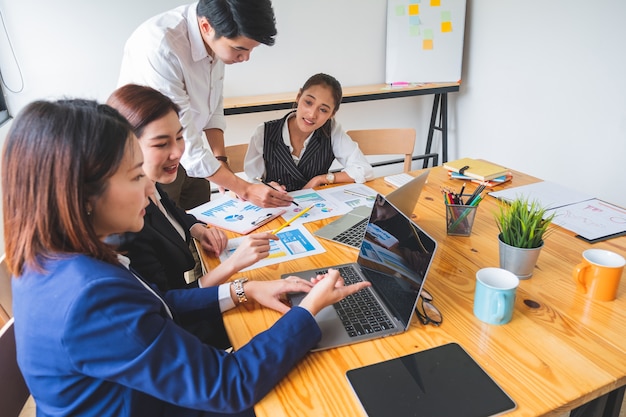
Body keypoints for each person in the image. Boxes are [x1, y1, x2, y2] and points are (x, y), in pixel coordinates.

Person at [3, 98, 371, 417]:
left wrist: (244, 290)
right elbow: (228, 385)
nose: (150, 188)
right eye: (135, 177)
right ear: (81, 197)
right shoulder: (90, 296)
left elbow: (154, 308)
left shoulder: (49, 255)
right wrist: (307, 311)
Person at [118, 0, 293, 210]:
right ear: (206, 27)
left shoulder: (215, 39)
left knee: (201, 226)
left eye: (250, 50)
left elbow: (212, 106)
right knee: (169, 230)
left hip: (195, 152)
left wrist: (220, 160)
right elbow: (182, 132)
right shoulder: (160, 45)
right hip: (154, 159)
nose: (245, 58)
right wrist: (244, 188)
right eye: (239, 49)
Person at [107, 84, 275, 292]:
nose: (177, 152)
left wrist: (197, 229)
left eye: (179, 137)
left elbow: (172, 211)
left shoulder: (151, 183)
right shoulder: (128, 224)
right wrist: (233, 266)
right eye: (161, 144)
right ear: (126, 146)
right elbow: (169, 303)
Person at [244, 73, 374, 192]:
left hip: (316, 208)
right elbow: (252, 181)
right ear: (299, 96)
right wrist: (264, 187)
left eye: (323, 110)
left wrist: (322, 179)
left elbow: (363, 169)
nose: (312, 114)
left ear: (332, 114)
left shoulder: (331, 130)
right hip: (275, 208)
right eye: (308, 102)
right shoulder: (265, 132)